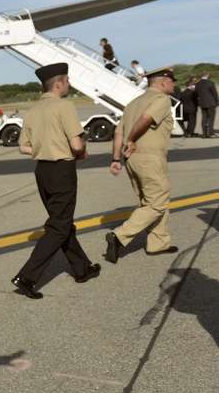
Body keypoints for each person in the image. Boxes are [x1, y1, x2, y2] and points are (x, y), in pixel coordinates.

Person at [11, 63, 100, 299]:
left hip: (42, 171)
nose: (69, 85)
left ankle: (82, 269)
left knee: (62, 223)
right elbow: (77, 144)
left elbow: (23, 148)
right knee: (58, 225)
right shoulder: (64, 106)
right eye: (68, 81)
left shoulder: (32, 111)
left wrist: (45, 148)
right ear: (59, 83)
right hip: (62, 170)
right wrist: (80, 153)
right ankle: (27, 276)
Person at [105, 69, 178, 262]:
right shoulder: (162, 100)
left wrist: (115, 159)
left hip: (132, 160)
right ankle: (119, 236)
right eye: (172, 82)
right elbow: (146, 119)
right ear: (163, 83)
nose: (174, 85)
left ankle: (158, 244)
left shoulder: (132, 104)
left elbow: (118, 133)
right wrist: (132, 139)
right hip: (149, 158)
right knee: (157, 202)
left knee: (150, 202)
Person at [196, 70, 218, 138]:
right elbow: (214, 93)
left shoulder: (198, 84)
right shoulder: (210, 83)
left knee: (204, 118)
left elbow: (196, 94)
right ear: (207, 75)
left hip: (202, 103)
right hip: (210, 102)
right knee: (211, 118)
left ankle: (204, 133)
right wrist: (217, 102)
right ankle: (211, 133)